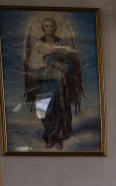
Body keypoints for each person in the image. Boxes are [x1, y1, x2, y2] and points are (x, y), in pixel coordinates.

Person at [23, 16, 83, 150]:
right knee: (44, 110)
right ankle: (49, 134)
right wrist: (49, 61)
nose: (49, 29)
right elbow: (33, 63)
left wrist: (63, 66)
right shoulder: (39, 44)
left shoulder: (62, 43)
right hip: (44, 82)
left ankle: (56, 139)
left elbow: (71, 62)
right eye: (46, 26)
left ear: (55, 27)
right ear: (43, 28)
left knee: (58, 108)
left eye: (51, 26)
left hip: (59, 82)